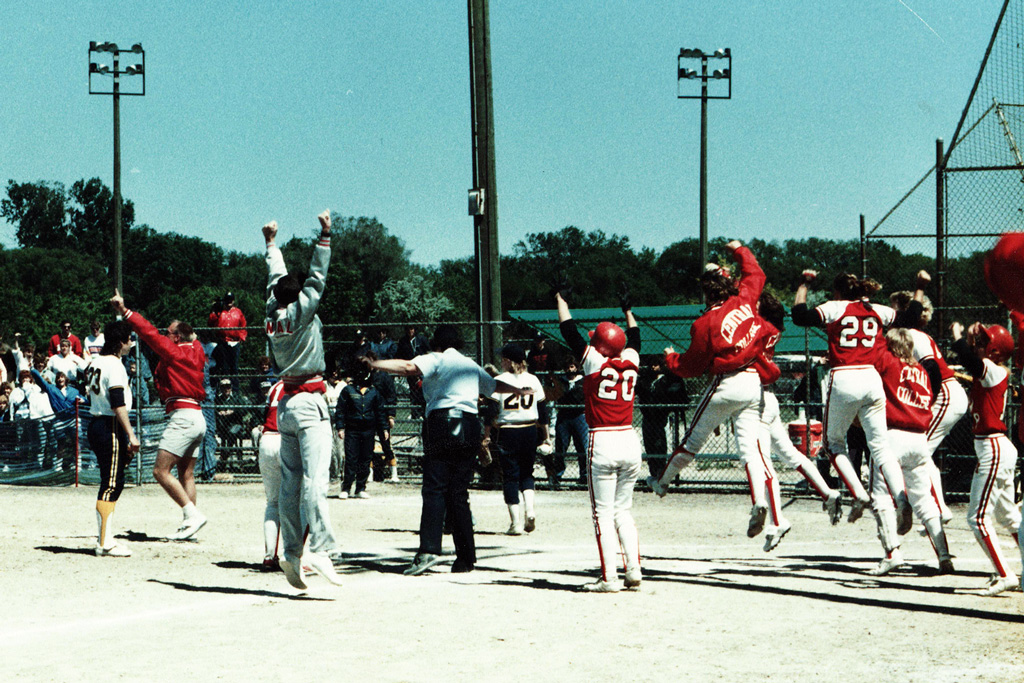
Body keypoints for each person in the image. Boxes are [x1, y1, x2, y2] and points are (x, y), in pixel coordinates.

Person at [367, 323, 531, 576]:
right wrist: (519, 390)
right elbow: (494, 386)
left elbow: (409, 367)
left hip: (442, 421)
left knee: (434, 487)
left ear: (437, 344)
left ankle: (429, 550)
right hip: (469, 423)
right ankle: (465, 558)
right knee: (458, 491)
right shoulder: (469, 364)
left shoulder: (436, 357)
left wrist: (376, 364)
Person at [647, 241, 781, 542]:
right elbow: (756, 272)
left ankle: (662, 481)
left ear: (707, 293)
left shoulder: (705, 322)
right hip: (753, 383)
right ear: (728, 284)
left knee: (692, 440)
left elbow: (691, 366)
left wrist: (670, 357)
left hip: (727, 382)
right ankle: (758, 500)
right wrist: (739, 249)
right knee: (749, 451)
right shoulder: (745, 300)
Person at [791, 270, 912, 531]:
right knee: (880, 446)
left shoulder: (835, 306)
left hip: (844, 375)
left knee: (832, 443)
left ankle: (858, 493)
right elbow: (910, 318)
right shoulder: (877, 309)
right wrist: (920, 289)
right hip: (872, 378)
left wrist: (804, 284)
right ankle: (901, 498)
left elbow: (799, 316)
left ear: (838, 291)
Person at [263, 212, 343, 590]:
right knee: (316, 479)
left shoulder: (271, 316)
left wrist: (271, 244)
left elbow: (273, 281)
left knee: (291, 482)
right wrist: (324, 235)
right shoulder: (301, 312)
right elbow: (318, 278)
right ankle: (322, 548)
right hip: (310, 401)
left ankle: (292, 550)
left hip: (286, 403)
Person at [554, 282, 643, 593]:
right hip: (630, 439)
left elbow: (569, 331)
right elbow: (636, 338)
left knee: (602, 513)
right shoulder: (631, 358)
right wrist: (628, 311)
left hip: (603, 439)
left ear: (600, 345)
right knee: (624, 511)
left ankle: (609, 578)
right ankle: (633, 570)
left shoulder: (593, 360)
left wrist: (561, 300)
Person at [111, 291, 210, 541]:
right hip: (197, 416)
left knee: (160, 471)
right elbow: (191, 339)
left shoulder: (176, 352)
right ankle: (191, 522)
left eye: (169, 333)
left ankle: (192, 515)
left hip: (183, 417)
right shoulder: (197, 350)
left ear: (176, 337)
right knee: (186, 473)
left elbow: (149, 333)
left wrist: (126, 312)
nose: (165, 335)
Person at [752, 292, 839, 550]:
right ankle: (827, 492)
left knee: (763, 463)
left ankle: (777, 520)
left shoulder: (760, 329)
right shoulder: (770, 329)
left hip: (756, 402)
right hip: (766, 399)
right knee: (790, 455)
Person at [865, 328, 953, 576]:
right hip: (919, 439)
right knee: (924, 498)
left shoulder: (888, 361)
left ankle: (892, 553)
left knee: (881, 495)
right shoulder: (923, 371)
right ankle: (944, 555)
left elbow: (874, 353)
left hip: (892, 434)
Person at [948, 320, 1022, 595]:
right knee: (1009, 517)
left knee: (977, 518)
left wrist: (958, 337)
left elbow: (969, 360)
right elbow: (972, 358)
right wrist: (970, 339)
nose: (979, 344)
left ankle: (1005, 575)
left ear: (995, 352)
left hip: (993, 447)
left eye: (984, 342)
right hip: (993, 448)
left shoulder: (994, 369)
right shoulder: (991, 369)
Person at [889, 273, 967, 525]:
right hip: (947, 394)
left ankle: (937, 508)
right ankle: (938, 507)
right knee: (924, 452)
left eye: (894, 309)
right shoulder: (916, 335)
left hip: (945, 394)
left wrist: (925, 400)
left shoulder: (914, 336)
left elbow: (932, 370)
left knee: (921, 451)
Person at [83, 320, 140, 557]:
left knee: (114, 480)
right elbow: (117, 402)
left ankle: (106, 536)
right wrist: (131, 434)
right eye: (128, 340)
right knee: (111, 483)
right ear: (120, 342)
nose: (130, 345)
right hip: (110, 425)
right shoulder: (115, 365)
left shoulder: (95, 362)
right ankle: (104, 542)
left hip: (97, 422)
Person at [484, 343, 547, 535]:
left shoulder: (500, 380)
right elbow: (543, 413)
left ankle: (516, 523)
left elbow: (491, 411)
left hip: (508, 431)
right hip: (529, 429)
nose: (501, 362)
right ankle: (530, 510)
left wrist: (486, 434)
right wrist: (546, 436)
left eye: (503, 359)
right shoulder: (533, 380)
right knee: (527, 473)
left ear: (509, 361)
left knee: (510, 476)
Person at [335, 362, 389, 499]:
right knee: (351, 458)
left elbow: (380, 412)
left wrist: (384, 428)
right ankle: (346, 487)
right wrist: (340, 427)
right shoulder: (348, 390)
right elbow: (340, 410)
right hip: (352, 429)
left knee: (365, 458)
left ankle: (360, 487)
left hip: (368, 430)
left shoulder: (374, 392)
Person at [636, 356, 688, 480]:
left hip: (661, 418)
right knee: (649, 445)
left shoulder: (667, 379)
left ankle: (661, 472)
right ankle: (654, 473)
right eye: (652, 364)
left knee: (660, 444)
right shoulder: (646, 379)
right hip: (648, 417)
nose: (654, 367)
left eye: (656, 364)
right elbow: (639, 390)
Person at [256, 380, 286, 570]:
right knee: (300, 501)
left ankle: (269, 556)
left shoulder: (276, 386)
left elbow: (265, 413)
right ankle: (298, 556)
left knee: (273, 502)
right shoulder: (302, 383)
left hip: (267, 440)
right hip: (286, 439)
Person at [549, 356, 588, 489]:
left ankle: (584, 476)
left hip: (579, 416)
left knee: (582, 446)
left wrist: (566, 395)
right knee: (561, 445)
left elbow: (578, 398)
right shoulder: (561, 381)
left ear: (576, 368)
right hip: (564, 417)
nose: (569, 370)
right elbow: (557, 395)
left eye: (572, 367)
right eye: (567, 367)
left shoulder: (582, 381)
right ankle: (557, 475)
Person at [209, 291, 247, 389]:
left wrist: (241, 337)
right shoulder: (220, 312)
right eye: (227, 300)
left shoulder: (238, 312)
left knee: (234, 367)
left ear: (233, 301)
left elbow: (243, 325)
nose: (229, 302)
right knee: (224, 367)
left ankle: (235, 390)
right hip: (223, 341)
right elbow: (210, 323)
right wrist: (214, 311)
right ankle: (224, 389)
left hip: (234, 342)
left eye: (230, 300)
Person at [396, 325, 429, 418]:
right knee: (413, 391)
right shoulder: (403, 341)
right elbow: (400, 355)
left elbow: (427, 352)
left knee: (422, 391)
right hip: (410, 369)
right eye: (408, 329)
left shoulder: (421, 339)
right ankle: (415, 413)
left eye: (412, 329)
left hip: (422, 369)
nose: (410, 331)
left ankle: (423, 412)